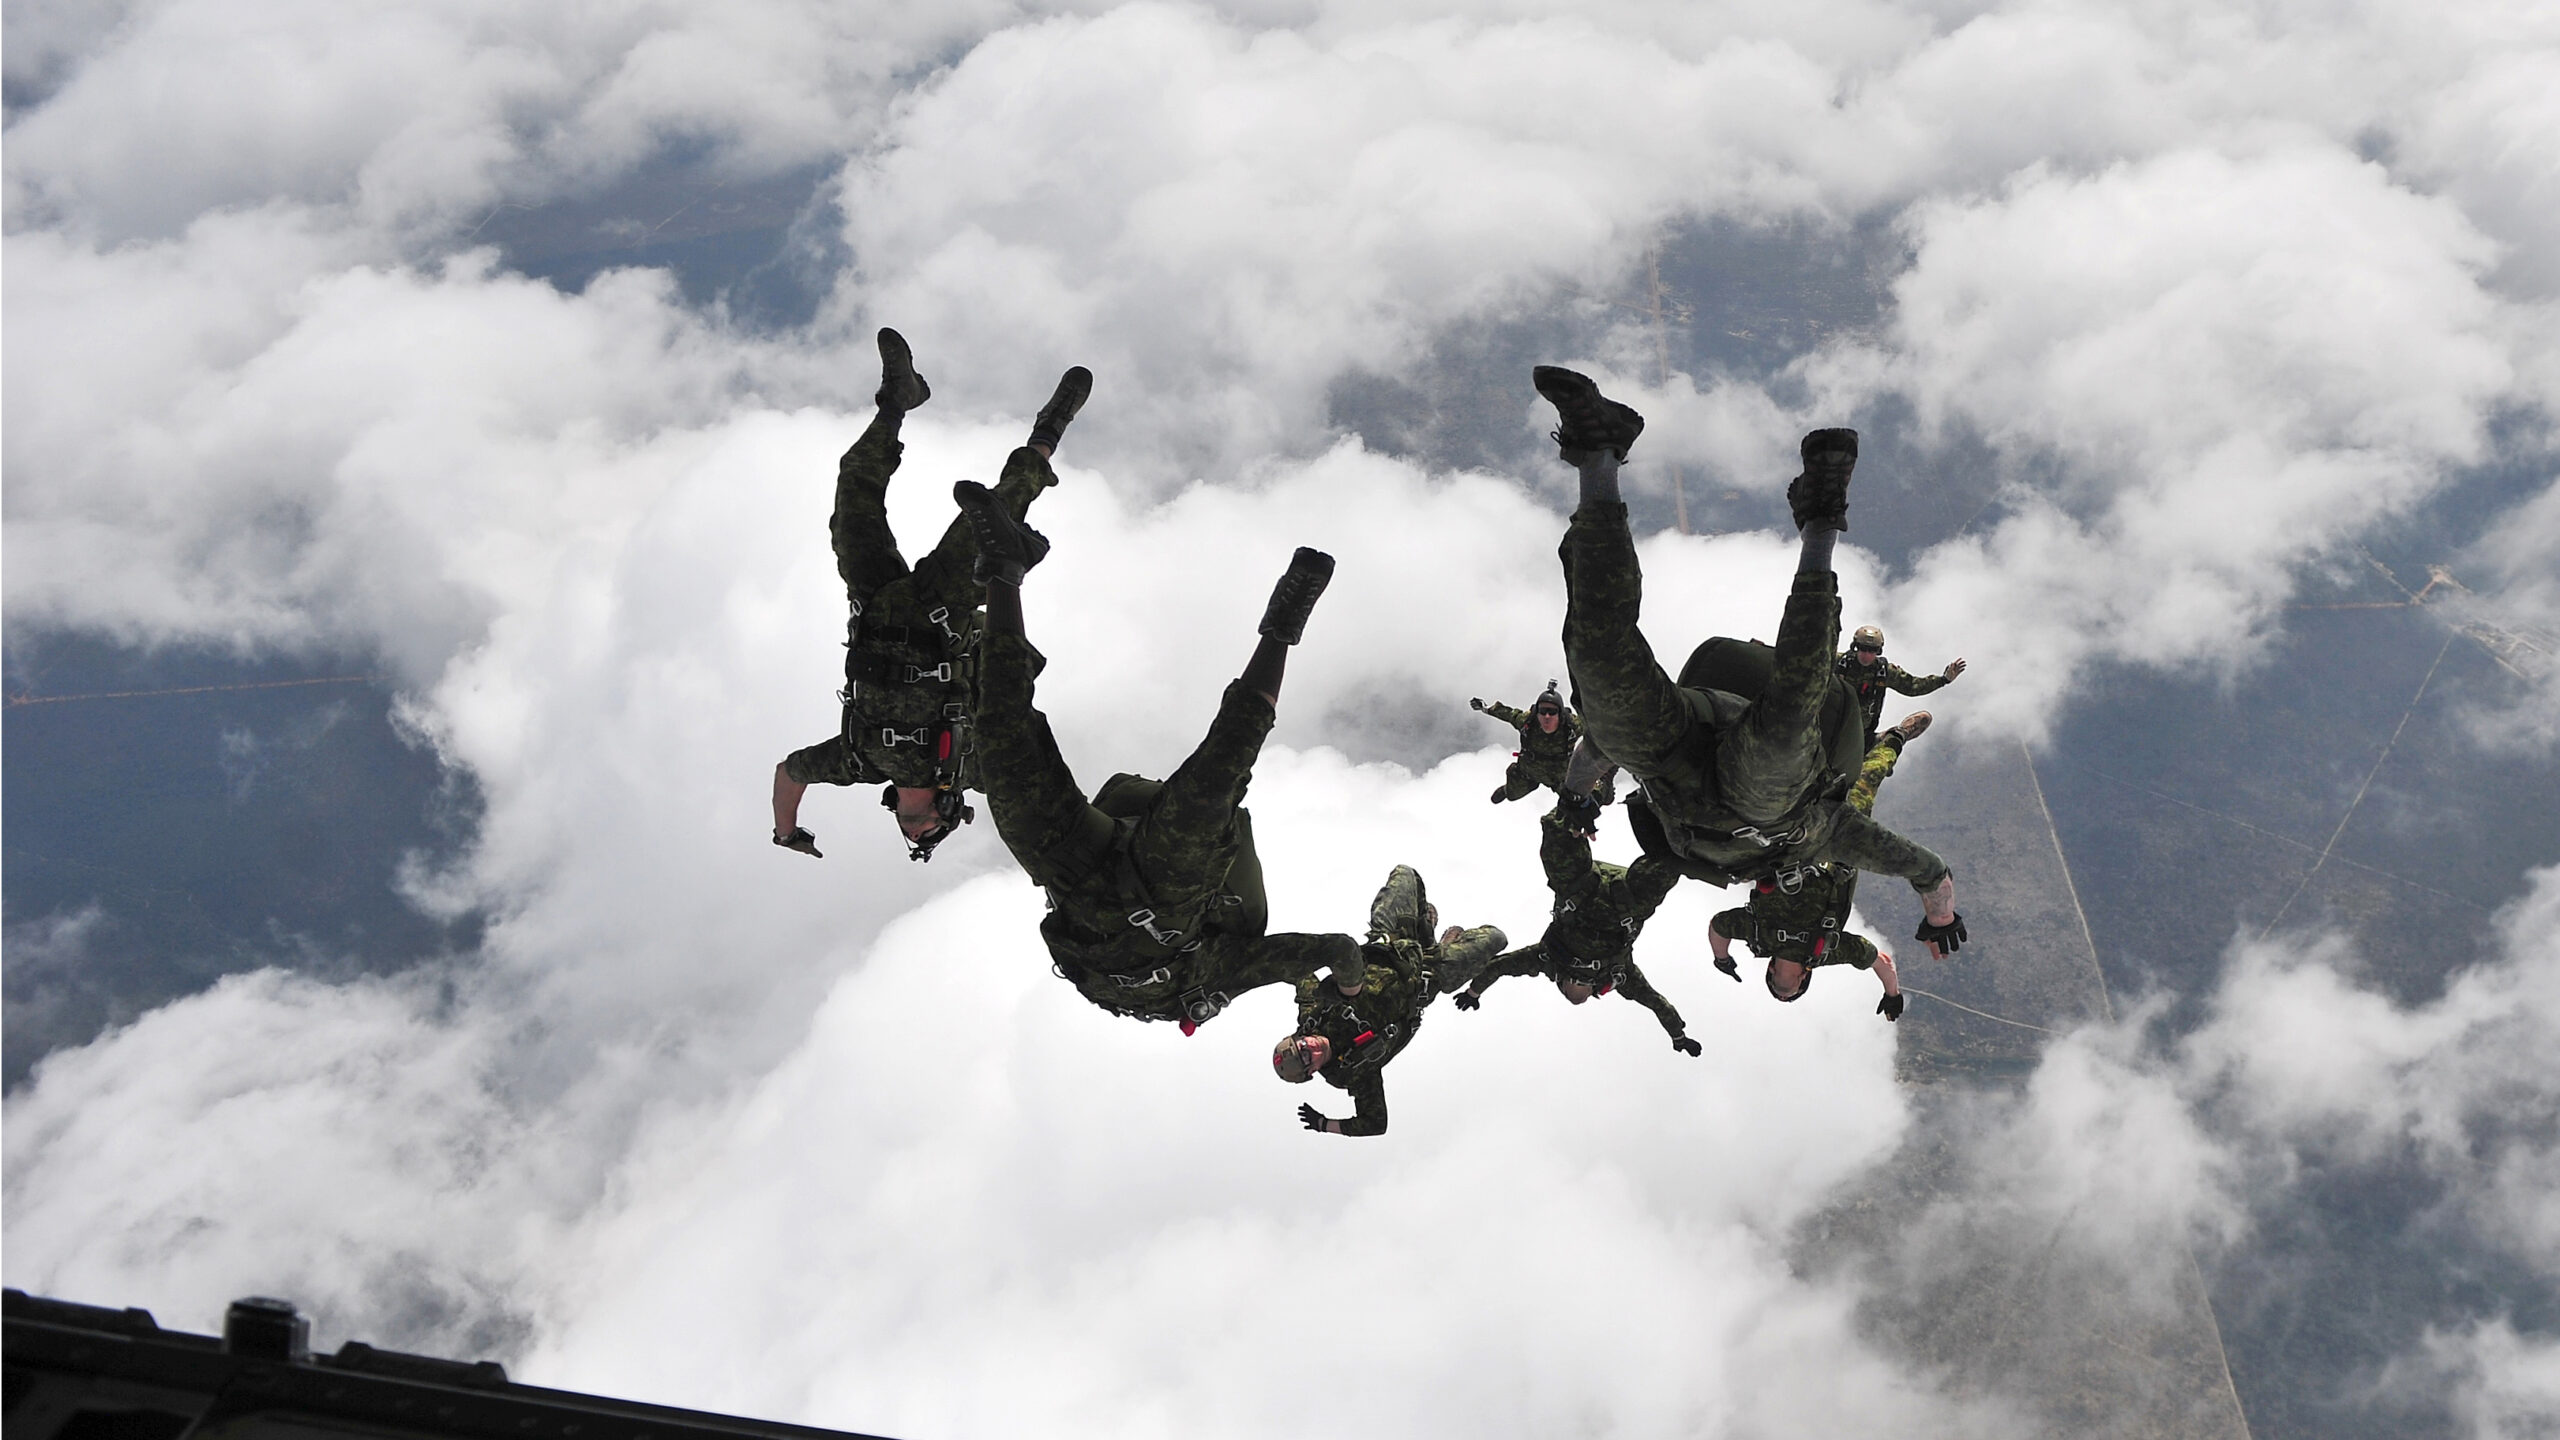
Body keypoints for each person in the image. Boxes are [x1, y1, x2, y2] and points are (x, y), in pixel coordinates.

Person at [1531, 364, 1966, 959]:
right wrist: (1940, 918)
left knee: (1599, 664)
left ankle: (1599, 457)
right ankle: (1820, 522)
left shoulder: (1735, 886)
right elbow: (1929, 870)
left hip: (1674, 759)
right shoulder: (1828, 837)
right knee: (1788, 725)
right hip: (1772, 800)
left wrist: (1577, 796)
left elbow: (1600, 744)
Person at [953, 473, 1362, 1031]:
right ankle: (1281, 631)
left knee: (1001, 736)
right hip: (1165, 888)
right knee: (1221, 772)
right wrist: (1351, 989)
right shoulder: (1221, 978)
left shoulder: (1105, 994)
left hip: (1071, 869)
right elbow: (1334, 947)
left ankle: (1003, 569)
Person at [768, 328, 1089, 861]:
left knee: (854, 490)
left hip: (873, 602)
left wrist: (785, 832)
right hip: (941, 610)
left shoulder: (856, 764)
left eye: (914, 838)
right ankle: (1048, 432)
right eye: (931, 836)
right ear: (946, 810)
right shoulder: (970, 765)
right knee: (998, 512)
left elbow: (787, 773)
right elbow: (1043, 798)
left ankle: (898, 400)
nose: (916, 833)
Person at [1706, 711, 1935, 1019]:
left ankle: (1894, 738)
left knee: (1867, 779)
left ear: (1803, 977)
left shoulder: (1827, 950)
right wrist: (1721, 958)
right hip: (1793, 837)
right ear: (1771, 967)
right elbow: (1718, 926)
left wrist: (1892, 994)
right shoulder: (1757, 935)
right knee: (1804, 779)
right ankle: (1844, 733)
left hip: (1840, 842)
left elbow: (1881, 962)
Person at [1451, 804, 1700, 1056]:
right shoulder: (1620, 975)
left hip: (1580, 888)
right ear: (1596, 989)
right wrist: (1679, 1036)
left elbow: (1499, 966)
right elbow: (1657, 1004)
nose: (1581, 979)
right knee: (1676, 855)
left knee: (1559, 825)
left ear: (1561, 981)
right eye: (1586, 984)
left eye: (1575, 982)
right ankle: (1691, 814)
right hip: (1628, 900)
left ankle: (1584, 794)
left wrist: (1474, 992)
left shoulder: (1545, 959)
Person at [1275, 865, 1506, 1137]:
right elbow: (1375, 1124)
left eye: (1302, 1044)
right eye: (1306, 1057)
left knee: (1407, 875)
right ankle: (1435, 943)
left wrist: (1248, 968)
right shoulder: (1350, 1071)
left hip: (1390, 944)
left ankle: (1424, 931)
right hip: (1429, 973)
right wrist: (1325, 1125)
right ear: (1312, 1071)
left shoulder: (1312, 1016)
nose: (1310, 1047)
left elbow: (1299, 974)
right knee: (1496, 938)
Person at [1839, 624, 1964, 748]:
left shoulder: (1884, 672)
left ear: (1879, 651)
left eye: (1872, 650)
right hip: (1825, 723)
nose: (1867, 655)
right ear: (1855, 647)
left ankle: (1897, 734)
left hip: (1859, 736)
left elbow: (1912, 686)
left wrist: (1943, 680)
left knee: (1884, 753)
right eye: (1863, 648)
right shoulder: (1837, 663)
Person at [1471, 681, 1584, 804]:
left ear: (1560, 713)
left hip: (1559, 778)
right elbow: (1508, 714)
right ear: (1537, 712)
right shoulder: (1527, 721)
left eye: (1552, 712)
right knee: (1512, 794)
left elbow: (1596, 726)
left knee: (1578, 803)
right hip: (1528, 772)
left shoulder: (1572, 726)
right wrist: (1485, 707)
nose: (1547, 716)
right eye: (1542, 711)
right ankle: (1507, 790)